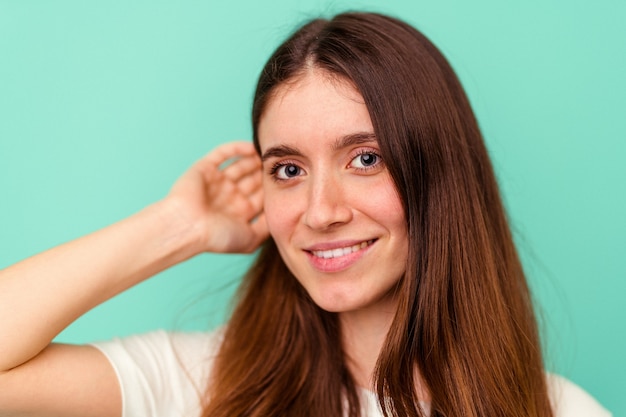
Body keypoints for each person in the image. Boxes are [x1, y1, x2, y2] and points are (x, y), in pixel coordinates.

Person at [0, 11, 611, 417]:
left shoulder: (561, 410)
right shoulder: (205, 382)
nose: (319, 212)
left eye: (365, 158)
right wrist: (176, 227)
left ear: (438, 171)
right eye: (288, 170)